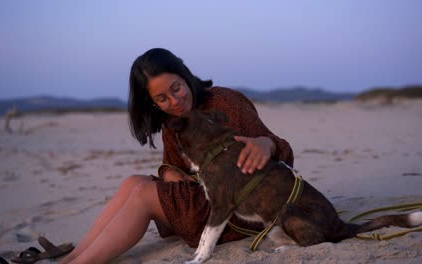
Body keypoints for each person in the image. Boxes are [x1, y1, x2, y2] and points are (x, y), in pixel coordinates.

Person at [60, 48, 293, 263]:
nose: (174, 101)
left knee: (143, 194)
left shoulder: (226, 102)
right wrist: (169, 172)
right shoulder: (173, 122)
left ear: (185, 75)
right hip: (205, 195)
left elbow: (284, 157)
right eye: (162, 99)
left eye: (176, 88)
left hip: (238, 210)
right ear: (152, 103)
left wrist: (266, 144)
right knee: (133, 182)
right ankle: (71, 257)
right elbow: (170, 164)